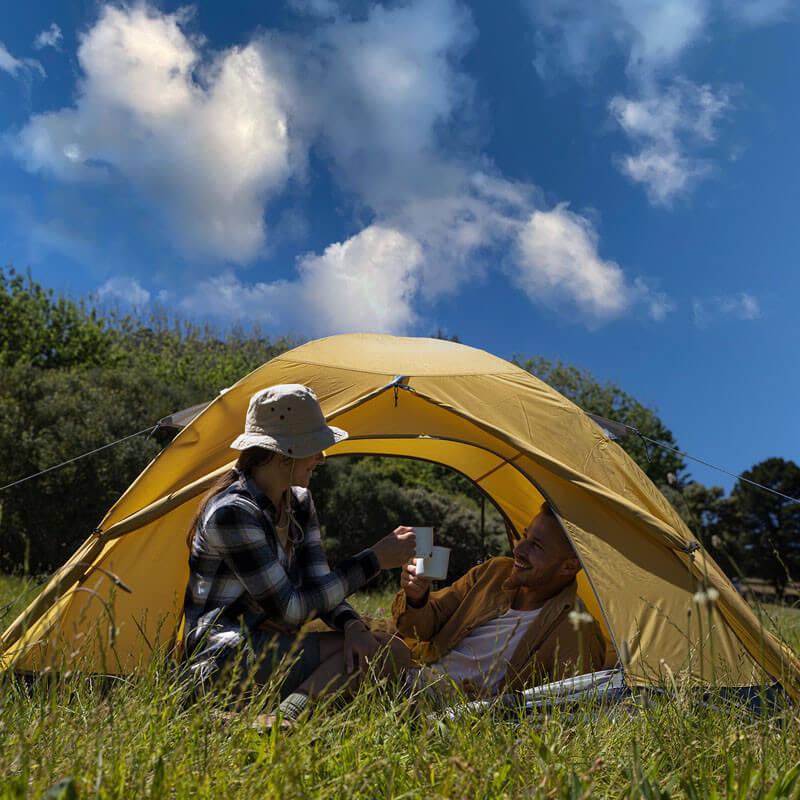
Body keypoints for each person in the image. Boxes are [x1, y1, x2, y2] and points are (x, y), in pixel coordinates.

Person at [183, 383, 415, 724]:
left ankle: (273, 719)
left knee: (387, 650)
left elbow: (319, 584)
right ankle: (269, 716)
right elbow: (292, 609)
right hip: (223, 656)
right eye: (314, 448)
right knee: (387, 654)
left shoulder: (299, 503)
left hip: (275, 643)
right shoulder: (233, 512)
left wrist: (352, 625)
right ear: (283, 455)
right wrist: (374, 559)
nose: (321, 457)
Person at [392, 502, 606, 700]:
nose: (519, 550)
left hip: (455, 705)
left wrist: (494, 704)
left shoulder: (578, 631)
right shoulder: (494, 572)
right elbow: (422, 626)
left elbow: (566, 708)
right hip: (415, 668)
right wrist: (417, 598)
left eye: (537, 546)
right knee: (362, 635)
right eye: (524, 536)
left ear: (568, 566)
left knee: (368, 655)